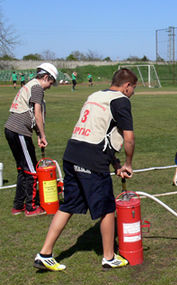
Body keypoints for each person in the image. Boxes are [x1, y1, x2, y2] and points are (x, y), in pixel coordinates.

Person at [34, 68, 137, 271]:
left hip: (71, 153)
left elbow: (98, 131)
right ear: (127, 86)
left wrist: (115, 164)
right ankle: (109, 257)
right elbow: (129, 138)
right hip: (91, 159)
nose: (133, 92)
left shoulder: (95, 95)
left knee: (69, 205)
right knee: (107, 208)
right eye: (133, 88)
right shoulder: (121, 100)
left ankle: (44, 253)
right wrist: (128, 163)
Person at [5, 63, 58, 217]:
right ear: (46, 77)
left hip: (11, 130)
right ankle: (31, 207)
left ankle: (18, 205)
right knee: (32, 170)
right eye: (51, 82)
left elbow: (29, 113)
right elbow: (37, 113)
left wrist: (37, 134)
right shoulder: (37, 88)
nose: (49, 86)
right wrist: (42, 135)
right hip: (19, 131)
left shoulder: (29, 85)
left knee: (23, 168)